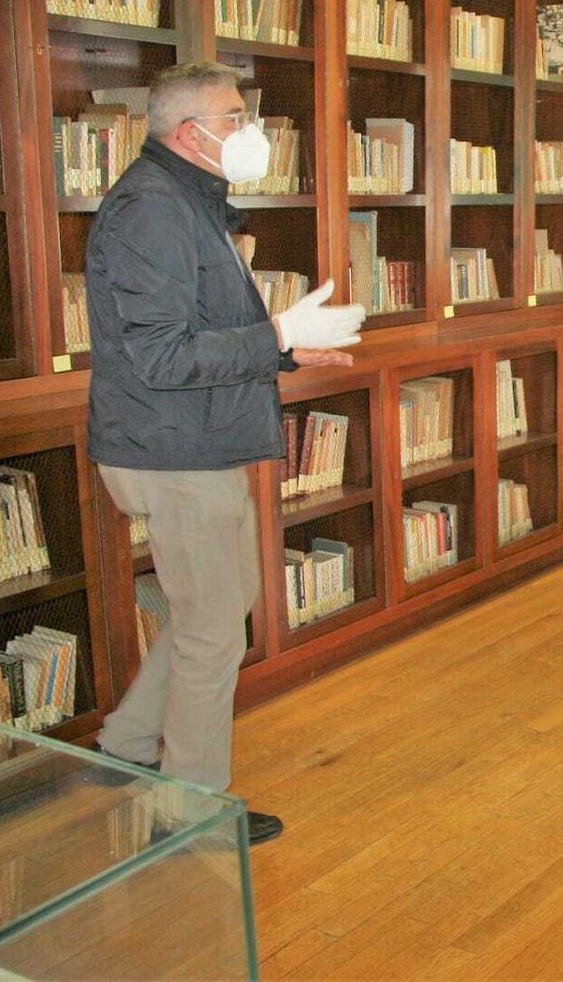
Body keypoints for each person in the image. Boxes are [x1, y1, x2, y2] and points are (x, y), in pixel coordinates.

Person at [86, 62, 366, 844]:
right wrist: (278, 334)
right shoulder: (152, 211)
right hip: (175, 448)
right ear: (189, 132)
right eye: (236, 116)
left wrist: (283, 353)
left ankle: (127, 744)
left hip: (195, 439)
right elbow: (162, 359)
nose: (252, 132)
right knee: (215, 629)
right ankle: (190, 812)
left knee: (223, 597)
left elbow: (200, 334)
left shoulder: (184, 199)